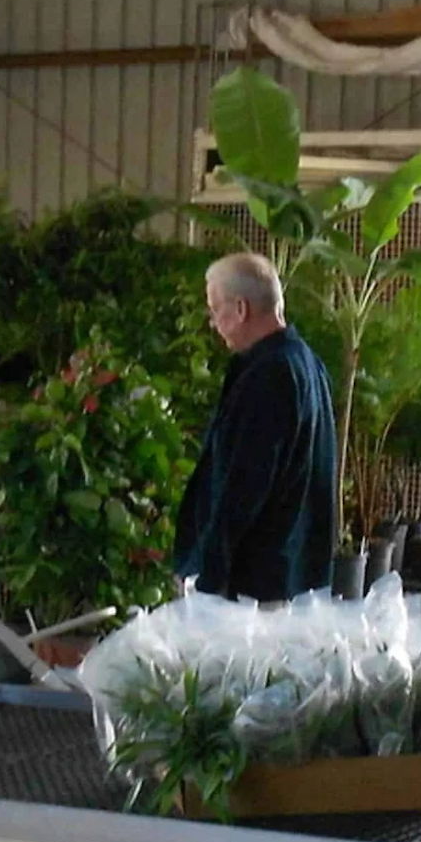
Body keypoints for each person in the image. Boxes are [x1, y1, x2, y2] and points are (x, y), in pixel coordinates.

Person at [172, 250, 336, 602]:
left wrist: (207, 576)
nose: (213, 323)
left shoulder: (270, 374)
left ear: (241, 308)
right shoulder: (307, 363)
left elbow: (244, 485)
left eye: (216, 309)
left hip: (254, 586)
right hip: (292, 575)